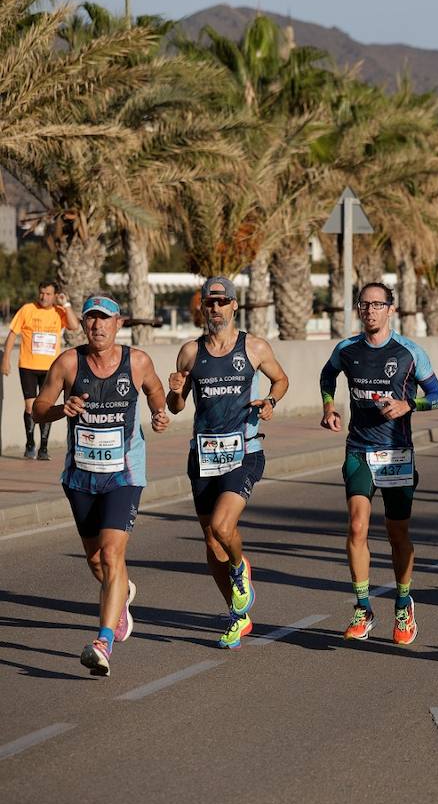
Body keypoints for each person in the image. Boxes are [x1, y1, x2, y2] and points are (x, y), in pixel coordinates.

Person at [32, 295, 170, 675]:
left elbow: (156, 391)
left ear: (118, 323)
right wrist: (64, 410)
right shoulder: (68, 363)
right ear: (83, 324)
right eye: (91, 319)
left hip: (124, 474)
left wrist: (159, 413)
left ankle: (103, 641)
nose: (97, 326)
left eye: (104, 319)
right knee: (97, 561)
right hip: (80, 475)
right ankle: (122, 592)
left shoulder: (136, 361)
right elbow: (37, 408)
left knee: (111, 555)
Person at [166, 277, 289, 649]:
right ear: (203, 307)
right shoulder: (190, 352)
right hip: (203, 455)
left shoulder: (254, 347)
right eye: (209, 302)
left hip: (245, 451)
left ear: (235, 306)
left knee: (222, 527)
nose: (215, 308)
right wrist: (174, 393)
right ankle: (239, 616)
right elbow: (177, 407)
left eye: (222, 301)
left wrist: (270, 401)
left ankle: (240, 569)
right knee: (210, 542)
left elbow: (281, 380)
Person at [320, 282, 438, 644]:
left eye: (378, 304)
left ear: (392, 309)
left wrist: (410, 405)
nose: (371, 310)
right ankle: (363, 607)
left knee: (397, 533)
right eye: (365, 304)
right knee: (357, 527)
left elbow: (437, 396)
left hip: (396, 455)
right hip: (358, 449)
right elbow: (328, 375)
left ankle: (403, 604)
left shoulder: (409, 352)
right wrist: (329, 405)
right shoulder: (347, 349)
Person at [3, 280, 79, 460]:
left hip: (51, 368)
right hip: (28, 365)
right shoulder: (27, 309)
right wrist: (5, 359)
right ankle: (30, 443)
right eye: (42, 293)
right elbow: (13, 333)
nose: (44, 297)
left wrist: (66, 304)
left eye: (48, 294)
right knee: (30, 406)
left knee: (46, 406)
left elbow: (74, 326)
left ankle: (43, 447)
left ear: (55, 296)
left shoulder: (59, 312)